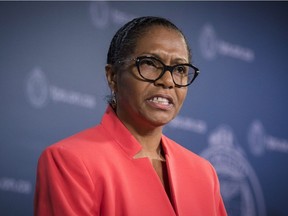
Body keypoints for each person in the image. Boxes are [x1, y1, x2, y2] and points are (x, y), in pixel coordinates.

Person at [34, 16, 227, 216]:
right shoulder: (69, 160)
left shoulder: (204, 173)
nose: (168, 81)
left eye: (179, 69)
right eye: (150, 63)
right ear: (113, 77)